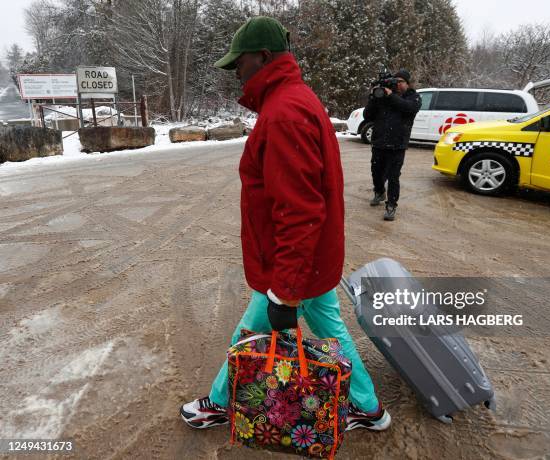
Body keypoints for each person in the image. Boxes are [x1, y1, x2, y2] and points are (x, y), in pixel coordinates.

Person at [180, 16, 390, 433]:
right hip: (306, 260)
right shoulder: (296, 99)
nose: (235, 72)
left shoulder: (283, 114)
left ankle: (223, 401)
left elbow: (300, 211)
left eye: (239, 62)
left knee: (258, 329)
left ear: (264, 57)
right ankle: (367, 407)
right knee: (320, 328)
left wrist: (285, 290)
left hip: (293, 263)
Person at [363, 70, 421, 221]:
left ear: (408, 83)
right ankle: (379, 191)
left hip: (398, 145)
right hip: (379, 142)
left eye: (401, 81)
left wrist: (391, 95)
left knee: (393, 177)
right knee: (376, 173)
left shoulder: (413, 97)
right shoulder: (382, 97)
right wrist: (373, 97)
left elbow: (409, 108)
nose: (398, 83)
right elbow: (367, 116)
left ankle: (391, 205)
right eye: (396, 81)